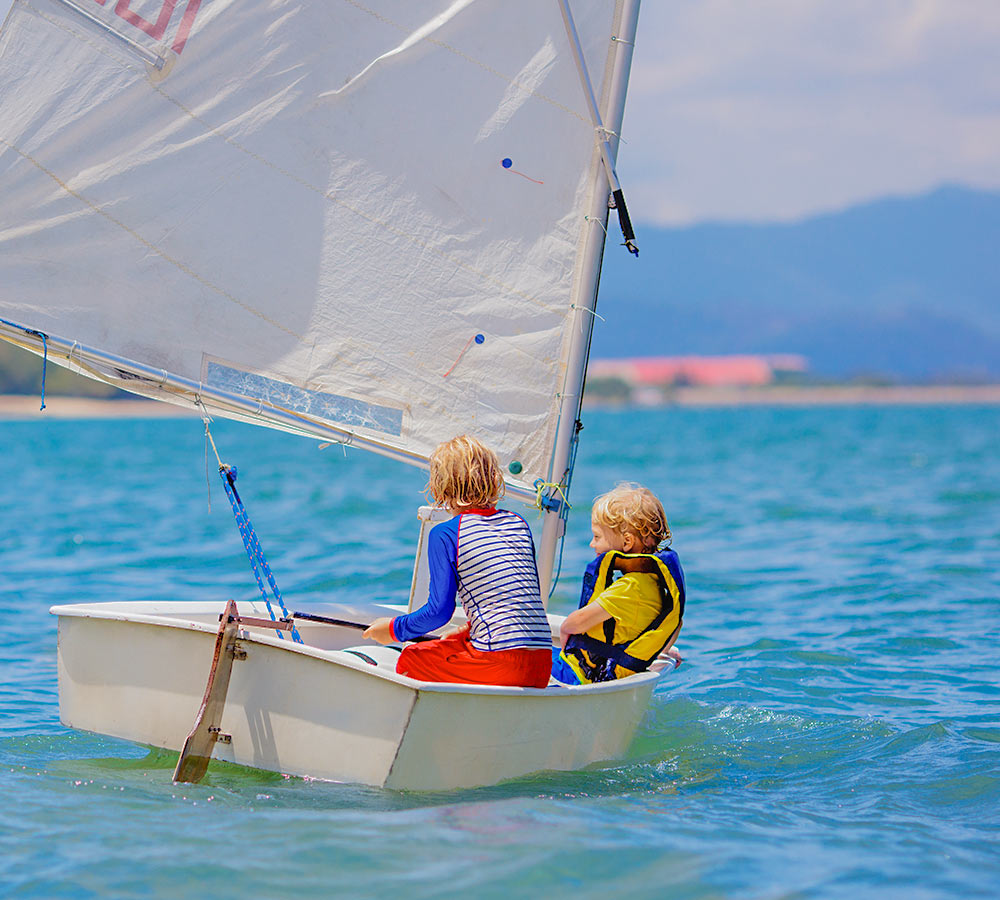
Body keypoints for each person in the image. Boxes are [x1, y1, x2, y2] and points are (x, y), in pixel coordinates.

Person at [363, 434, 553, 687]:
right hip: (541, 664)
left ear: (439, 485)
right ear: (494, 478)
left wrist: (392, 629)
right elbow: (512, 599)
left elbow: (439, 612)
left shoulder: (446, 534)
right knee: (451, 642)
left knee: (411, 659)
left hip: (500, 663)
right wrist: (467, 632)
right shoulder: (518, 524)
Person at [551, 483, 685, 685]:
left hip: (579, 675)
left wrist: (565, 630)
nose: (592, 544)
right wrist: (660, 654)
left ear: (627, 542)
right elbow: (675, 626)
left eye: (597, 536)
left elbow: (576, 622)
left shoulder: (631, 587)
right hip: (609, 673)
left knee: (523, 647)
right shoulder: (654, 585)